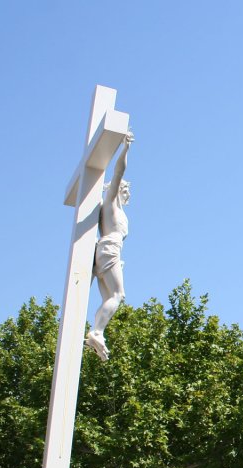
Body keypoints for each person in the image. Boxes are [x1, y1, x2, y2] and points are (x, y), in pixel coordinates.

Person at [85, 131, 134, 361]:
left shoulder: (117, 210)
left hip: (108, 251)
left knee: (111, 298)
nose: (128, 193)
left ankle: (98, 332)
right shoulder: (111, 204)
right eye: (126, 190)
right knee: (118, 294)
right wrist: (125, 149)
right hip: (109, 248)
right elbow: (118, 172)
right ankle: (96, 331)